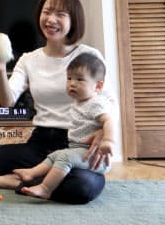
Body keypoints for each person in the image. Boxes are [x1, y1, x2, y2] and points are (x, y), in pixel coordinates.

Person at [0, 0, 109, 204]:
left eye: (60, 14)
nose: (51, 19)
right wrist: (0, 69)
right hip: (39, 144)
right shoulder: (29, 59)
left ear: (74, 20)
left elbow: (108, 101)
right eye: (47, 12)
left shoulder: (88, 56)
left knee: (82, 187)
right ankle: (39, 178)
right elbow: (7, 101)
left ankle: (13, 181)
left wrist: (103, 132)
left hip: (77, 145)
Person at [13, 52, 114, 199]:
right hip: (78, 150)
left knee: (65, 157)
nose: (72, 83)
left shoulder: (96, 104)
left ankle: (45, 188)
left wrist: (108, 141)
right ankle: (31, 173)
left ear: (98, 86)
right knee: (55, 155)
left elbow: (109, 120)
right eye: (69, 78)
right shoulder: (80, 102)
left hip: (92, 155)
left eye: (80, 79)